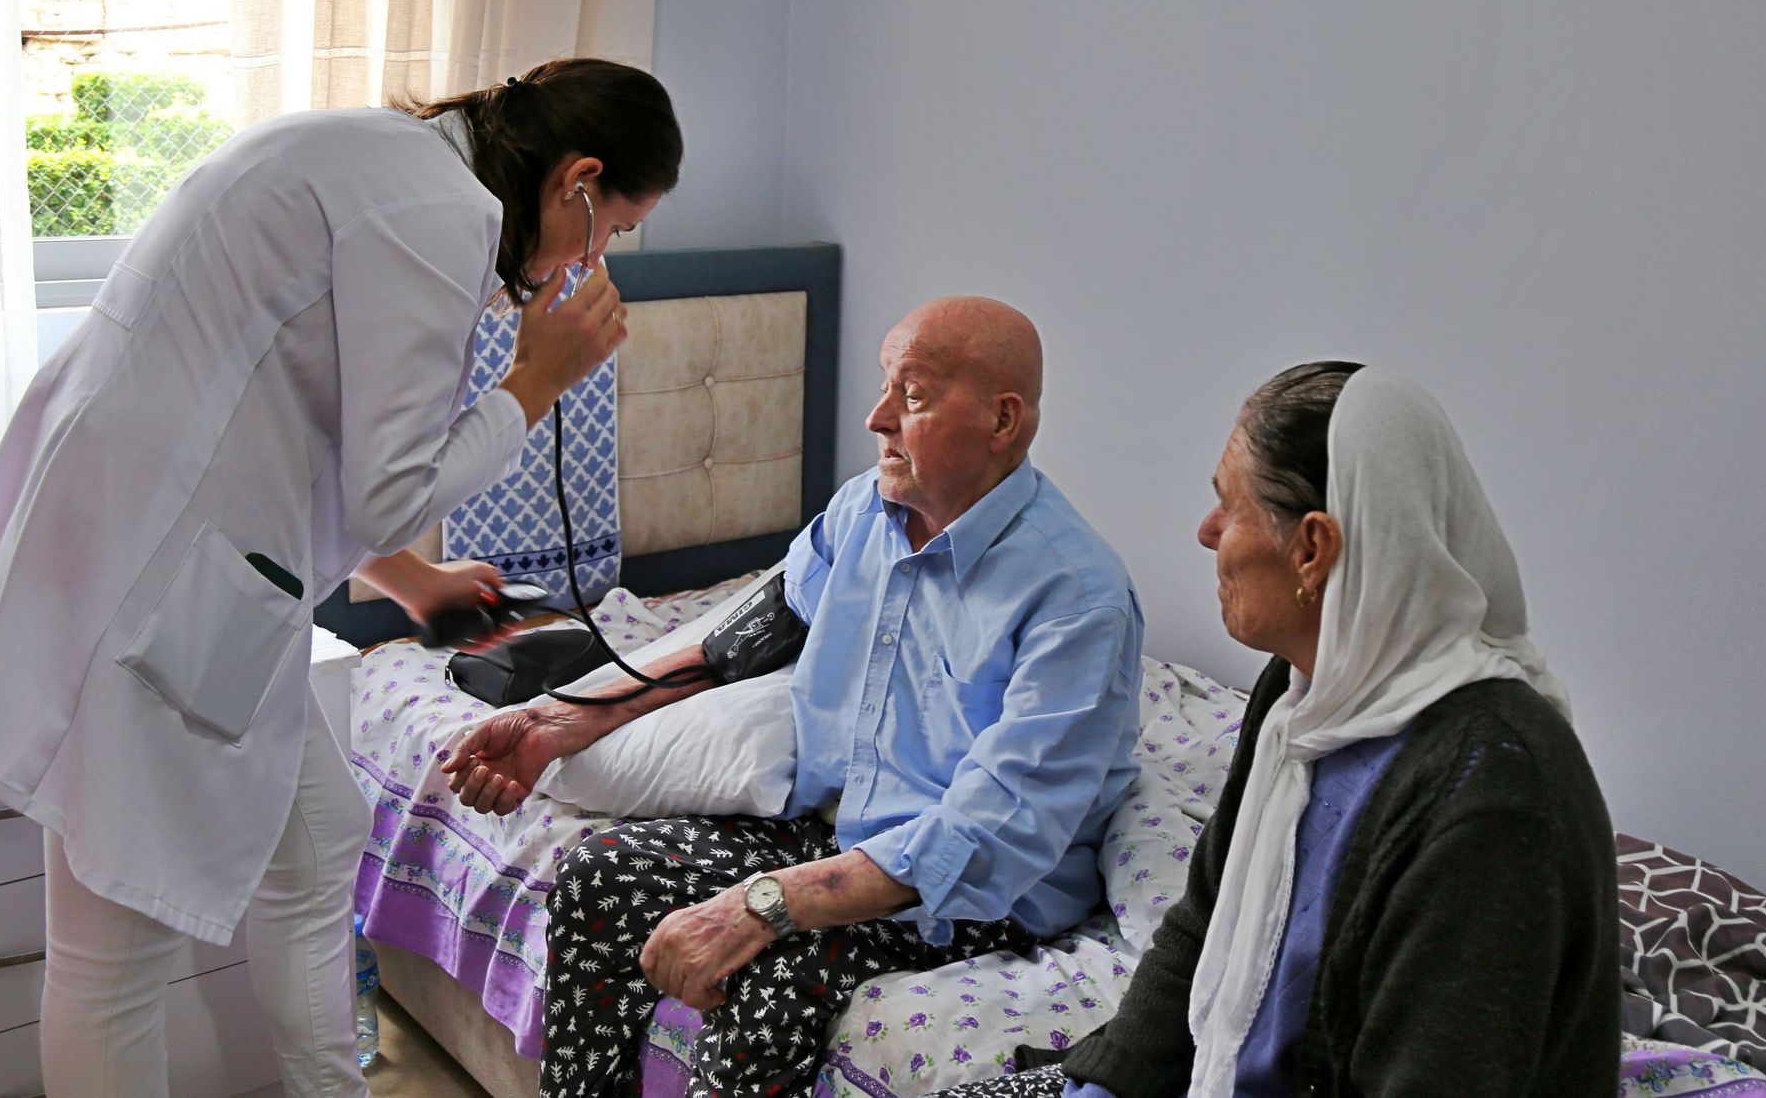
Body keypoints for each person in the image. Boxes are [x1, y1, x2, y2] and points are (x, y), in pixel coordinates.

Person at [0, 58, 680, 1097]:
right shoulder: (438, 212)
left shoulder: (376, 157)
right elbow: (387, 487)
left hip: (172, 560)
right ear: (578, 180)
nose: (598, 257)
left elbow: (296, 411)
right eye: (615, 228)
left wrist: (408, 582)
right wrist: (536, 378)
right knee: (114, 948)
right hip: (164, 588)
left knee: (321, 837)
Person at [442, 296, 1146, 1097]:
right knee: (599, 874)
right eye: (885, 385)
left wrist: (762, 903)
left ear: (1003, 420)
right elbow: (740, 644)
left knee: (777, 973)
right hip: (841, 841)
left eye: (911, 395)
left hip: (979, 895)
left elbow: (988, 834)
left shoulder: (1076, 596)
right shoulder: (862, 514)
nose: (878, 416)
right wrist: (563, 718)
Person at [935, 363, 1620, 1098]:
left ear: (1312, 549)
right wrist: (1110, 1082)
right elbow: (1203, 921)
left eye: (1228, 507)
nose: (1206, 532)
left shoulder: (1489, 793)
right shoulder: (1302, 691)